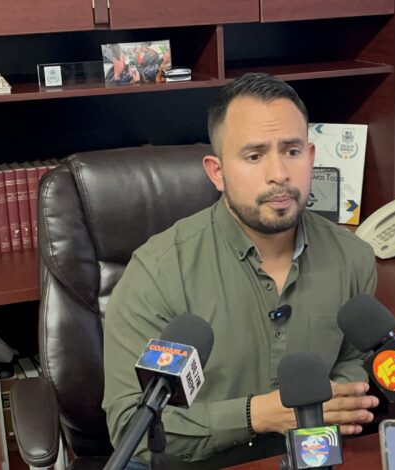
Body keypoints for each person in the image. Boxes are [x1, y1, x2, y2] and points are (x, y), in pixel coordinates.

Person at [102, 72, 379, 469]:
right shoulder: (159, 272)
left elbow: (353, 358)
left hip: (309, 456)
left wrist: (333, 396)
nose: (279, 173)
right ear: (217, 172)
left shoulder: (353, 258)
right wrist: (255, 415)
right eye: (254, 156)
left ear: (311, 156)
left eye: (292, 151)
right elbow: (132, 427)